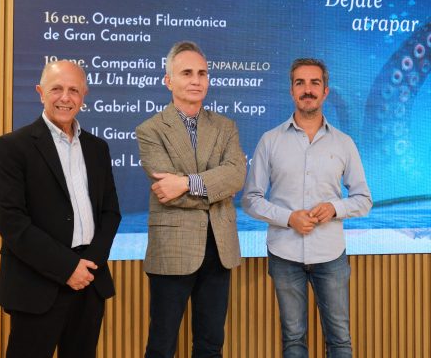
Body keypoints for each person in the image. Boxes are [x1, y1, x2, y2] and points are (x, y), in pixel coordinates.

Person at [242, 58, 372, 358]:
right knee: (293, 341)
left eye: (315, 83)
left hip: (331, 255)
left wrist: (335, 208)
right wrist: (288, 218)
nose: (307, 89)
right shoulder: (270, 141)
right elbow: (251, 198)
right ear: (291, 90)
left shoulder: (344, 143)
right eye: (300, 83)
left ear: (325, 91)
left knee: (340, 340)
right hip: (284, 255)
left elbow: (364, 199)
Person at [0, 60, 121, 358]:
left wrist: (88, 265)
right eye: (56, 89)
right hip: (36, 285)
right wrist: (67, 268)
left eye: (74, 90)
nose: (65, 97)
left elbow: (110, 213)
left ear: (84, 95)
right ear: (40, 92)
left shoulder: (97, 148)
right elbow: (12, 222)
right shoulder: (13, 146)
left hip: (89, 281)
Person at [136, 41, 246, 358]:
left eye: (202, 73)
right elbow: (165, 193)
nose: (196, 80)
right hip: (173, 249)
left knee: (211, 345)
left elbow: (236, 175)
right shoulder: (150, 130)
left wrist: (185, 183)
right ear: (168, 80)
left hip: (219, 249)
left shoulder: (226, 126)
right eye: (187, 73)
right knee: (161, 346)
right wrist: (216, 189)